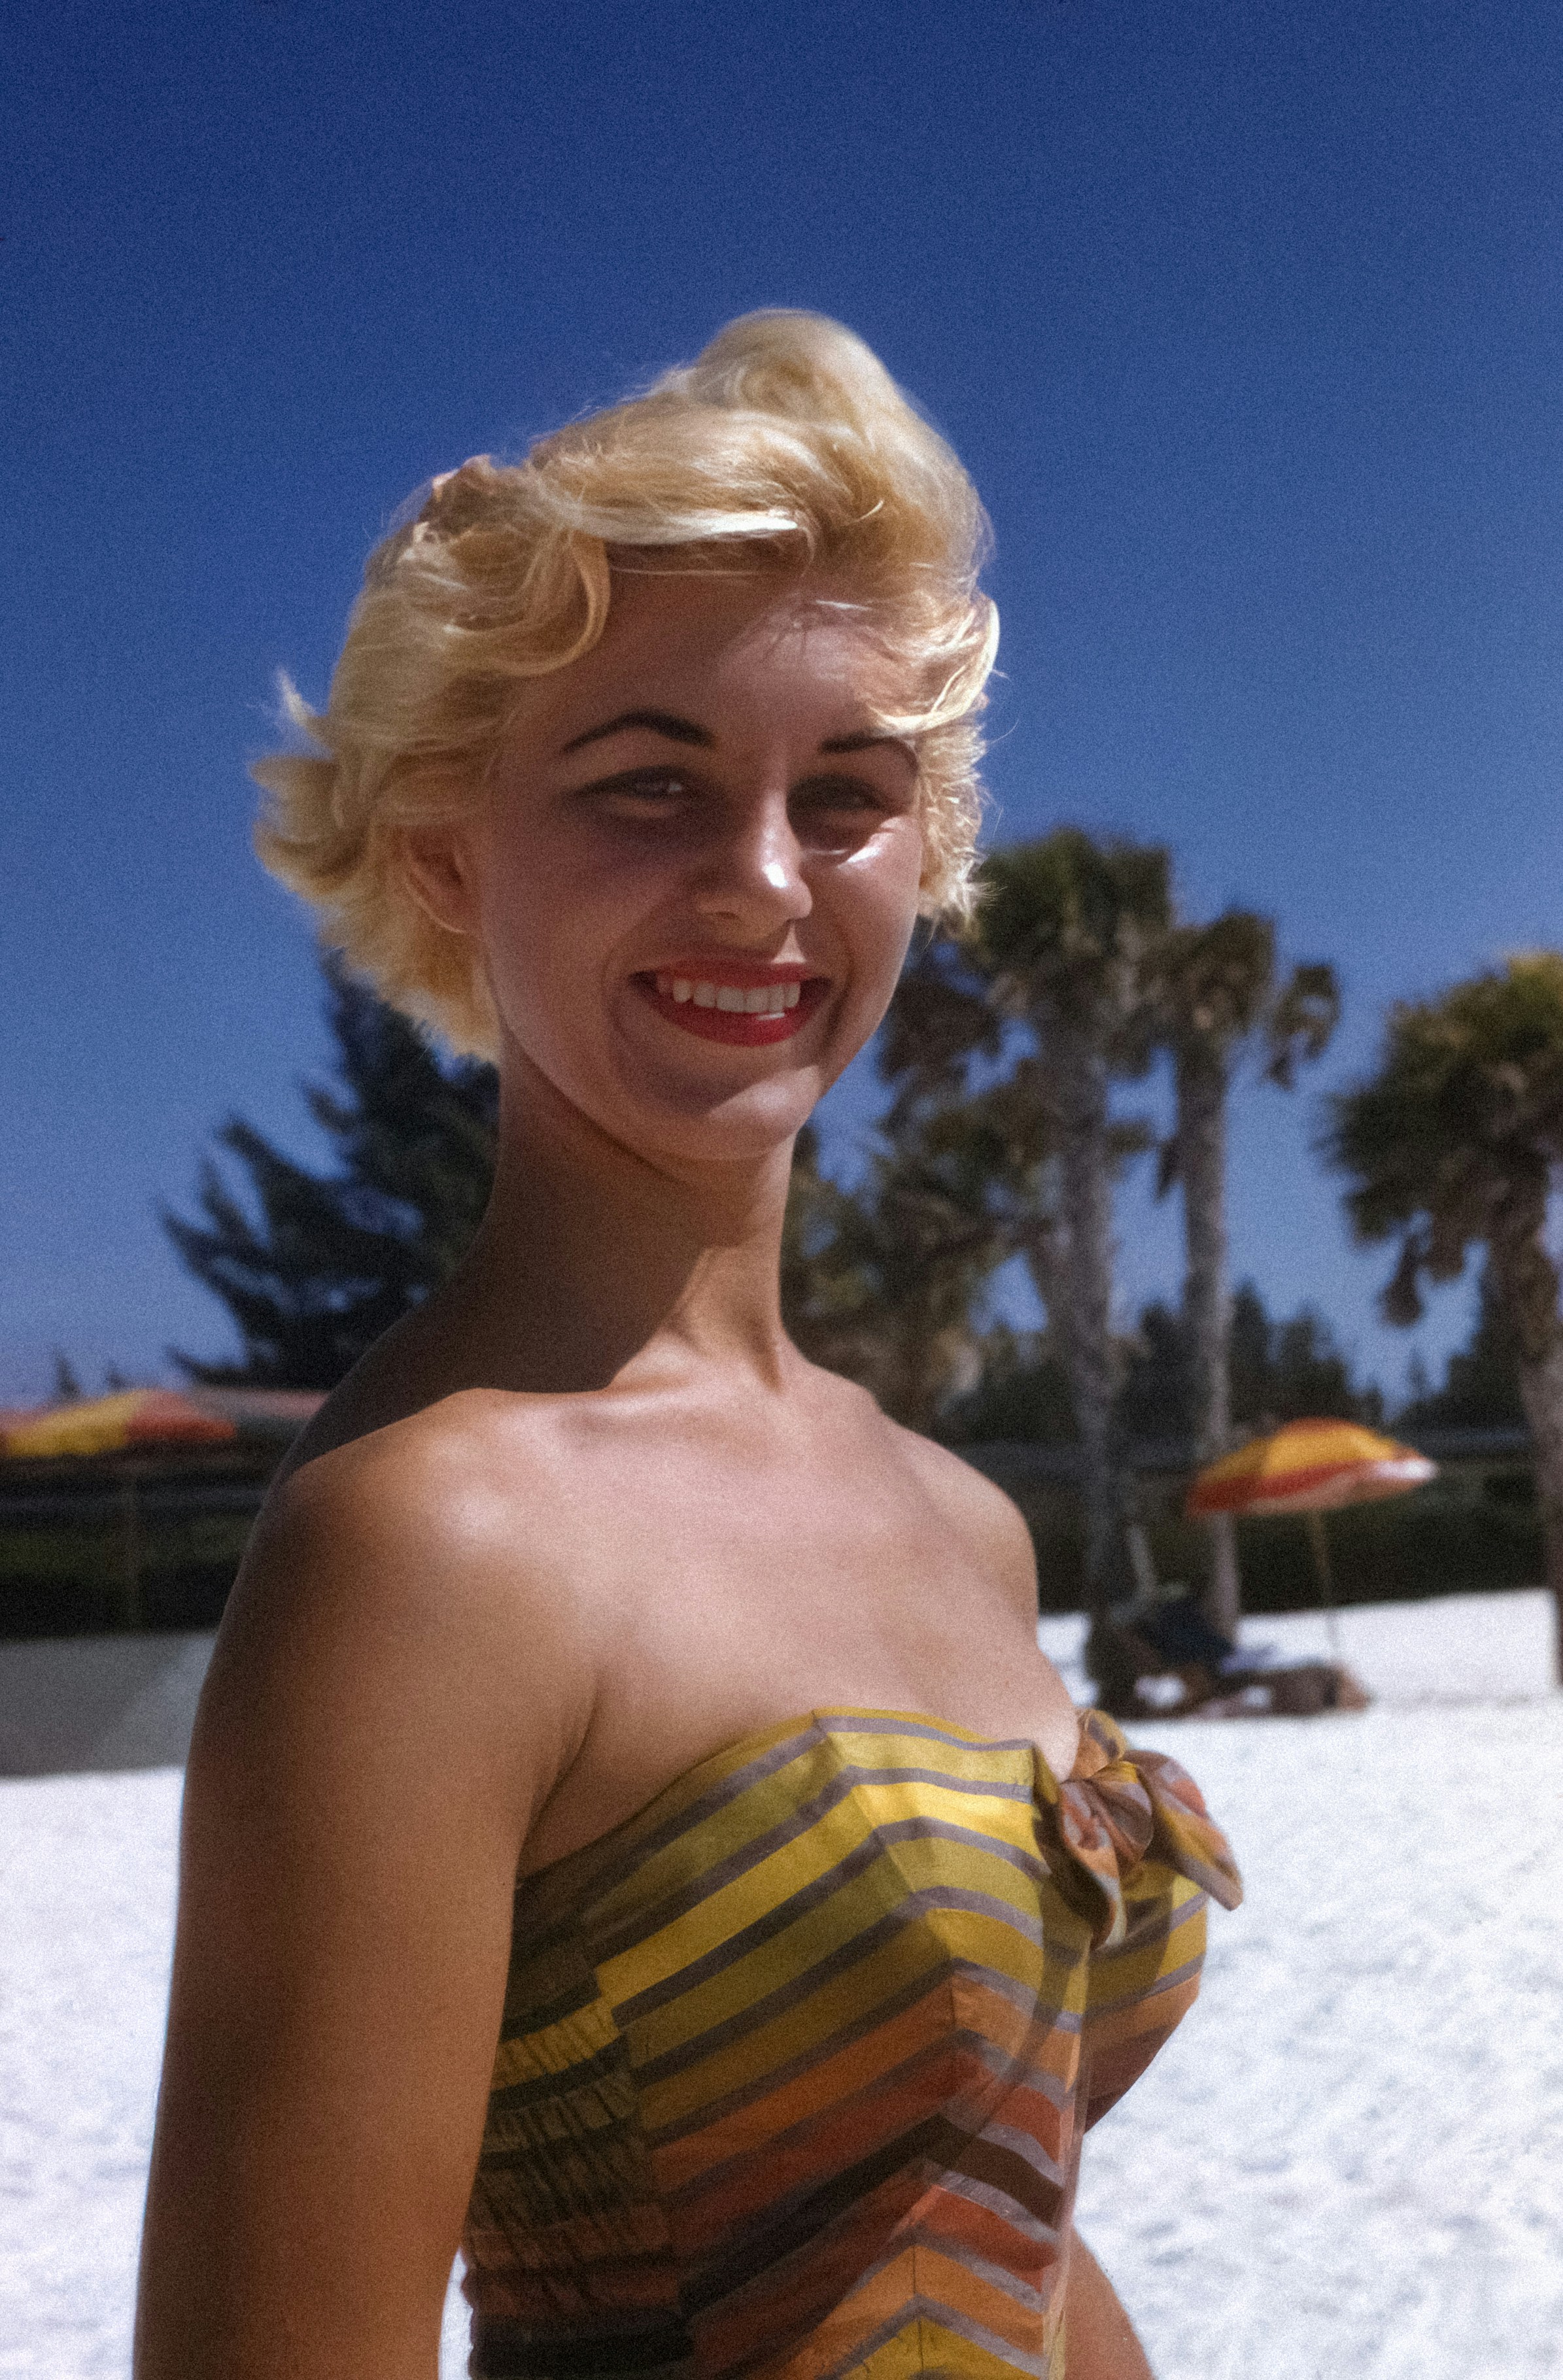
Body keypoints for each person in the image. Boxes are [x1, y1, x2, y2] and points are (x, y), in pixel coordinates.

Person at [134, 312, 1241, 2380]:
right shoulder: (430, 1548)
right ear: (451, 854)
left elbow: (975, 2204)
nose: (762, 883)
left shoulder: (953, 1517)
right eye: (651, 784)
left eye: (845, 795)